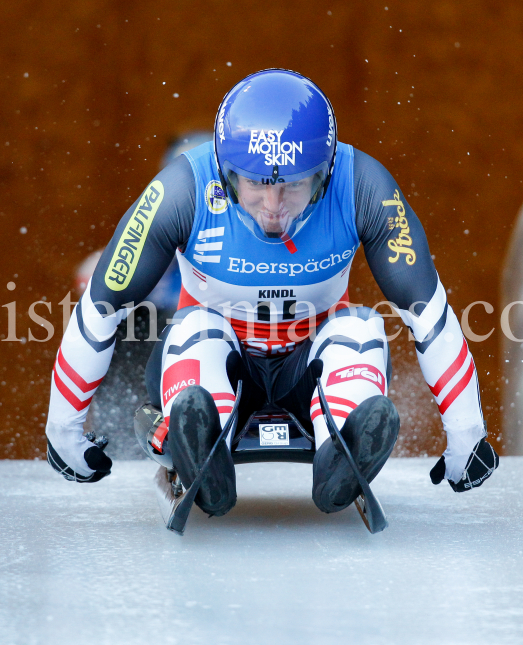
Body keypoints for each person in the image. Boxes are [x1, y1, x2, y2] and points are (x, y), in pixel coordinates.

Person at [44, 69, 498, 516]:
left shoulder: (363, 186)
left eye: (295, 184)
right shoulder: (181, 190)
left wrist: (466, 434)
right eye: (258, 183)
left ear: (326, 172)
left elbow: (428, 311)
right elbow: (101, 306)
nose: (274, 208)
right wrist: (63, 430)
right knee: (196, 329)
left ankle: (340, 449)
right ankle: (204, 445)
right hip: (214, 357)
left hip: (309, 368)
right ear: (223, 174)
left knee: (362, 327)